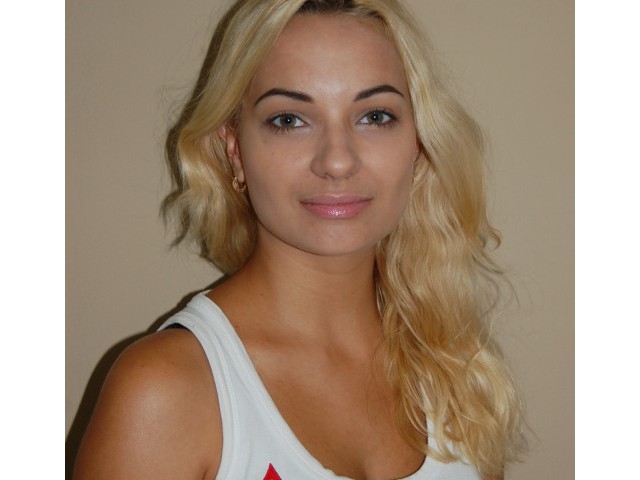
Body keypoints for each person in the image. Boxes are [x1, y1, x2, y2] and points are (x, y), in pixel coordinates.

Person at [73, 1, 526, 479]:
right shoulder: (165, 392)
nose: (337, 161)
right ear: (235, 149)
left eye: (375, 116)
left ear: (417, 143)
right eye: (289, 120)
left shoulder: (455, 368)